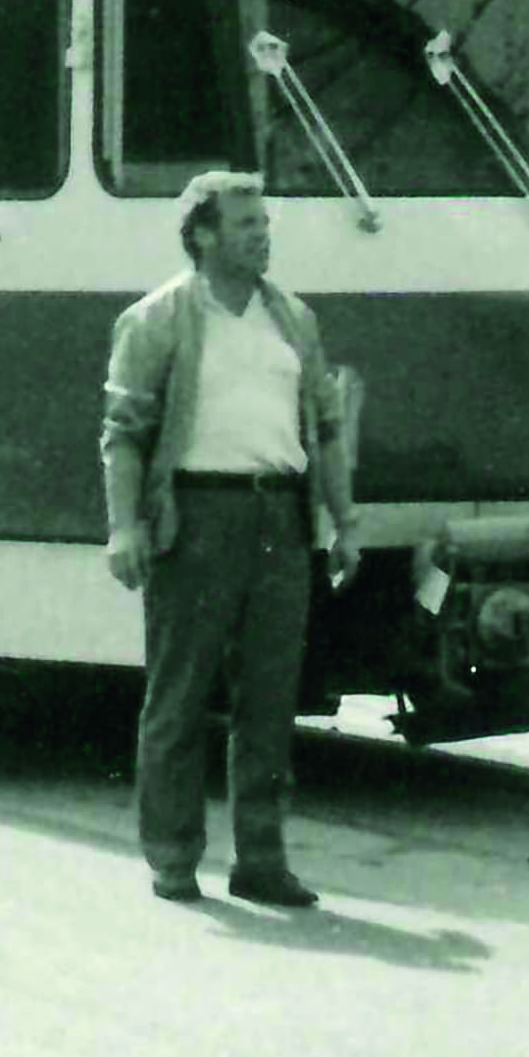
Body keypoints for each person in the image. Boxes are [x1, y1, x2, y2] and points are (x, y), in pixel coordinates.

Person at [100, 170, 361, 908]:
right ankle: (173, 854)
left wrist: (344, 522)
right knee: (179, 694)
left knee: (271, 700)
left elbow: (328, 427)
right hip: (196, 515)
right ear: (203, 234)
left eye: (263, 223)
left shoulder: (292, 319)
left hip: (279, 516)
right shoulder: (156, 319)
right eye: (245, 224)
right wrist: (124, 526)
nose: (261, 234)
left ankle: (262, 858)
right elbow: (123, 435)